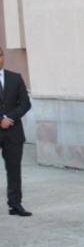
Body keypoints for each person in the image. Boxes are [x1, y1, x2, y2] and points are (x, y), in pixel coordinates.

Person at [0, 46, 32, 217]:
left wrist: (8, 118)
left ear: (3, 57)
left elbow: (26, 104)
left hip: (13, 133)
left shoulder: (15, 78)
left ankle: (15, 205)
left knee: (14, 170)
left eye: (0, 55)